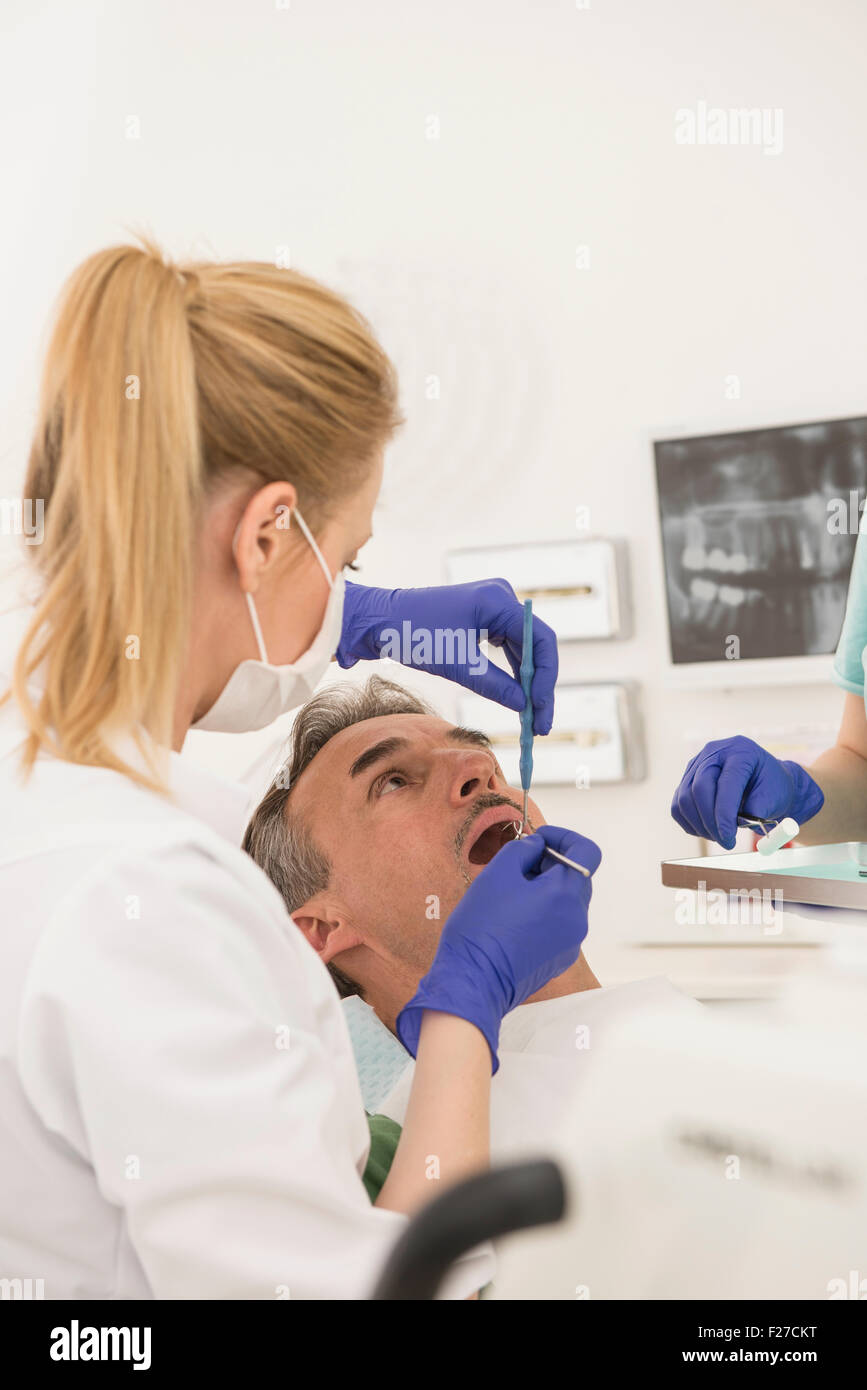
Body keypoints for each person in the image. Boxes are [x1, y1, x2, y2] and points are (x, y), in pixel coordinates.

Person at [0, 238, 599, 1300]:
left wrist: (347, 622)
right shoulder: (149, 897)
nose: (464, 774)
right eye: (350, 559)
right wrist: (467, 1002)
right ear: (269, 532)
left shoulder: (53, 794)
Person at [243, 675, 700, 1193]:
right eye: (393, 780)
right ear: (322, 929)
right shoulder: (401, 1169)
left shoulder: (677, 1031)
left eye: (482, 754)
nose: (479, 770)